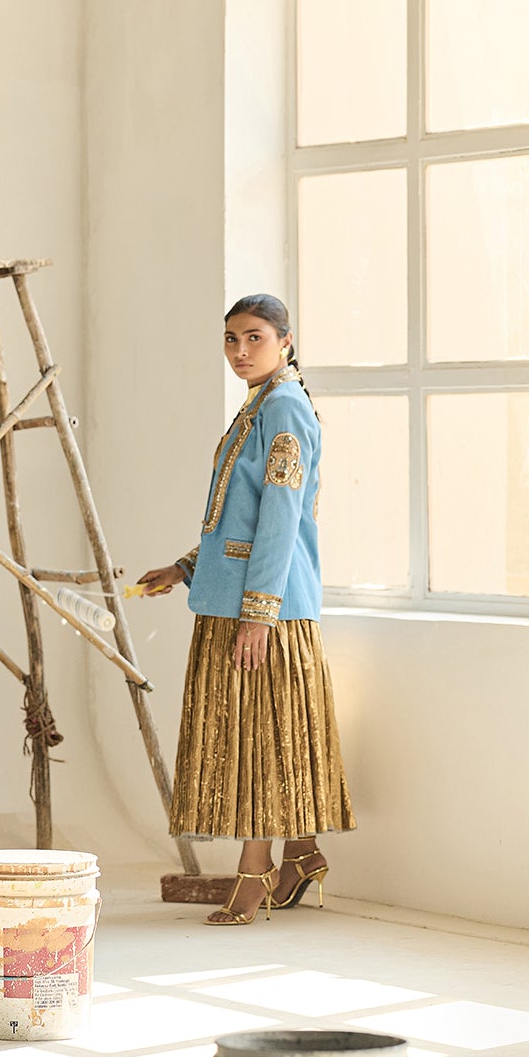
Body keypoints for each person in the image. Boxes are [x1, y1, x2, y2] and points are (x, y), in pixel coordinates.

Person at [138, 294, 354, 926]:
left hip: (265, 612)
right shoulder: (260, 404)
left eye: (254, 338)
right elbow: (240, 516)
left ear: (287, 341)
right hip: (236, 600)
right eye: (230, 339)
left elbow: (281, 521)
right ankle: (302, 854)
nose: (239, 351)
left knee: (255, 738)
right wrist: (184, 568)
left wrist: (257, 614)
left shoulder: (283, 408)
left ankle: (256, 871)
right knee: (265, 733)